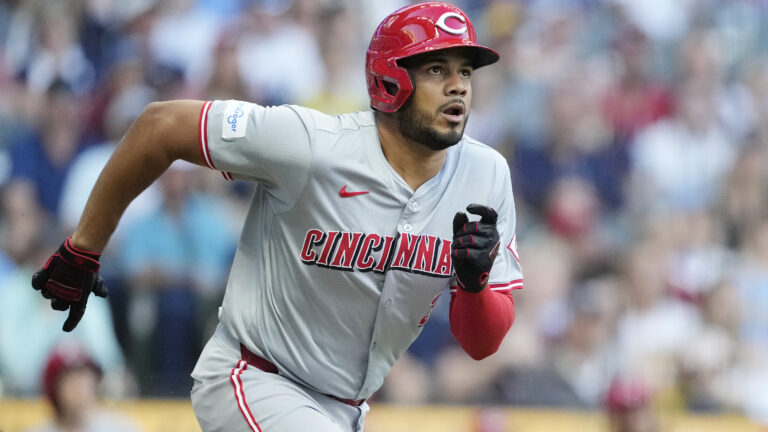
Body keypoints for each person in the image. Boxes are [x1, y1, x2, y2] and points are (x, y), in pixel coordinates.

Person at [30, 2, 523, 431]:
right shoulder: (313, 145)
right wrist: (83, 248)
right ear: (390, 78)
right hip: (254, 377)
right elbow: (160, 126)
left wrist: (475, 286)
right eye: (436, 69)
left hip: (346, 409)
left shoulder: (486, 176)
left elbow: (482, 344)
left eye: (465, 71)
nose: (458, 86)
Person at [25, 343, 139, 432]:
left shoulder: (122, 428)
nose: (80, 387)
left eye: (85, 377)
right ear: (54, 388)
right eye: (71, 379)